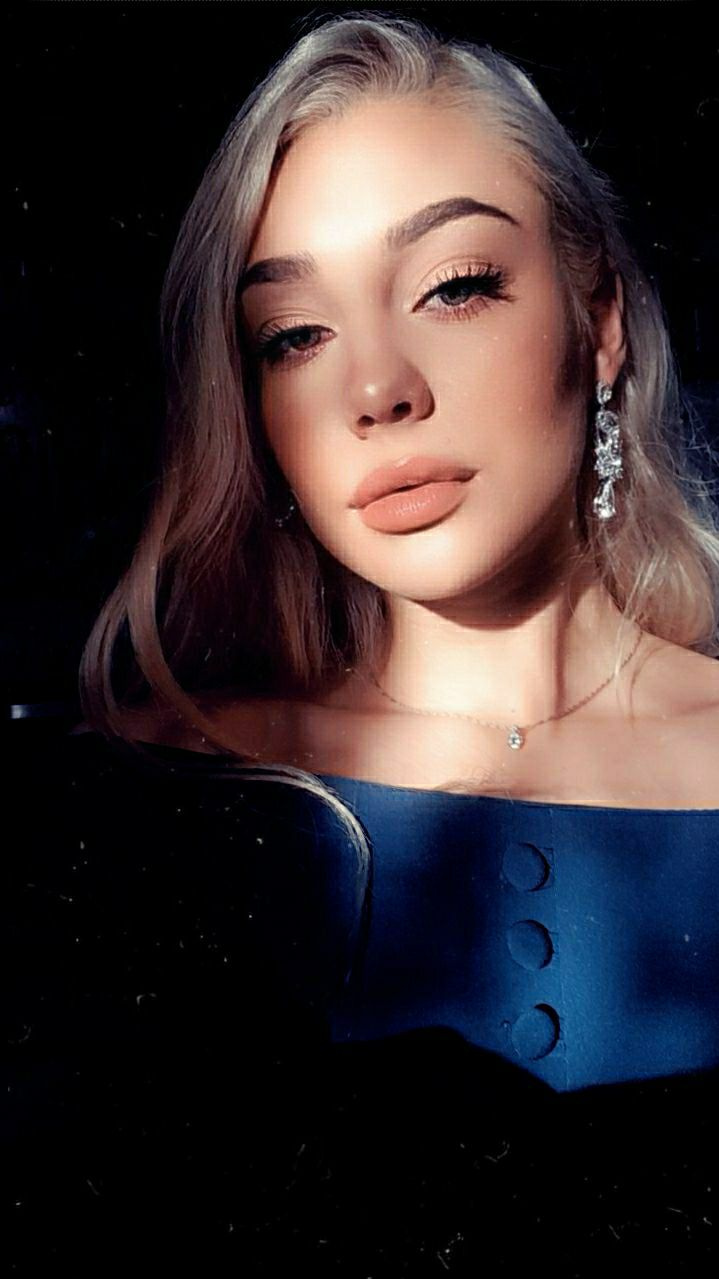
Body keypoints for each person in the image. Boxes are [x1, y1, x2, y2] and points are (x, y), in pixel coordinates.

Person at [7, 9, 719, 1274]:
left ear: (599, 319)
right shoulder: (146, 799)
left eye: (453, 286)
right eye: (295, 335)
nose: (375, 390)